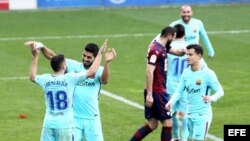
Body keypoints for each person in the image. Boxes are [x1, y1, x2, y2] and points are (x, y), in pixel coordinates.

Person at [26, 39, 116, 141]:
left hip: (92, 117)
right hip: (74, 118)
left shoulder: (99, 69)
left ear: (95, 58)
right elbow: (53, 57)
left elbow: (105, 80)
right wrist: (42, 47)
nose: (85, 59)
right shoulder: (73, 66)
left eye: (89, 57)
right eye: (84, 55)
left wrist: (107, 63)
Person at [130, 26, 185, 141]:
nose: (174, 40)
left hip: (156, 90)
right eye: (173, 38)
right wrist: (150, 95)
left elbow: (177, 52)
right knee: (168, 122)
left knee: (153, 123)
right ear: (169, 36)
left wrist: (186, 51)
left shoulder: (162, 46)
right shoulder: (156, 49)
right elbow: (149, 72)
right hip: (157, 91)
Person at [165, 44, 224, 141]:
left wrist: (212, 98)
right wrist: (171, 102)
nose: (187, 57)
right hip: (188, 115)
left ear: (199, 56)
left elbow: (220, 91)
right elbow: (179, 91)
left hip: (202, 115)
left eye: (190, 55)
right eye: (187, 54)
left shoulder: (208, 74)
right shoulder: (186, 72)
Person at [166, 24, 189, 141]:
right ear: (185, 34)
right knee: (185, 114)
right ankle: (184, 139)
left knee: (171, 113)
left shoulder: (169, 47)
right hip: (185, 87)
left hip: (171, 86)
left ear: (174, 35)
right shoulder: (190, 48)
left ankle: (175, 137)